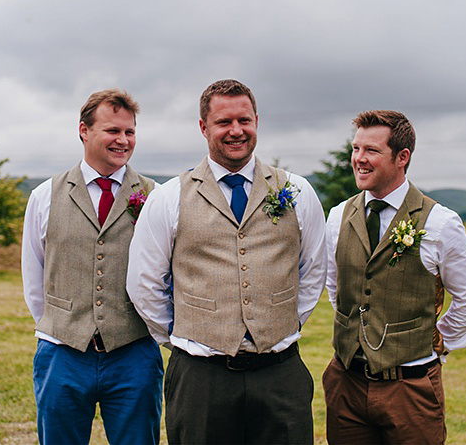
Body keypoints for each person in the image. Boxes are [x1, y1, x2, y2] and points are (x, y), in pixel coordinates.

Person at [127, 79, 326, 445]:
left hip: (280, 372)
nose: (236, 131)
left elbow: (314, 267)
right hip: (201, 378)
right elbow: (144, 282)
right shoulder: (169, 196)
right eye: (224, 122)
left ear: (256, 121)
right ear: (204, 127)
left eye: (244, 120)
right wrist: (184, 334)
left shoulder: (296, 191)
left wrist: (285, 320)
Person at [323, 110, 466, 445]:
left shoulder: (441, 222)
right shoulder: (338, 216)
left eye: (371, 151)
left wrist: (436, 343)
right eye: (356, 149)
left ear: (402, 157)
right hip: (346, 385)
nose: (359, 159)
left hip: (410, 388)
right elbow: (334, 285)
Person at [22, 89, 163, 445]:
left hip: (134, 353)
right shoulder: (44, 196)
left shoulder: (155, 195)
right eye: (113, 130)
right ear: (84, 130)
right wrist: (60, 326)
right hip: (63, 353)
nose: (123, 140)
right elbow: (34, 276)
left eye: (130, 132)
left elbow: (165, 274)